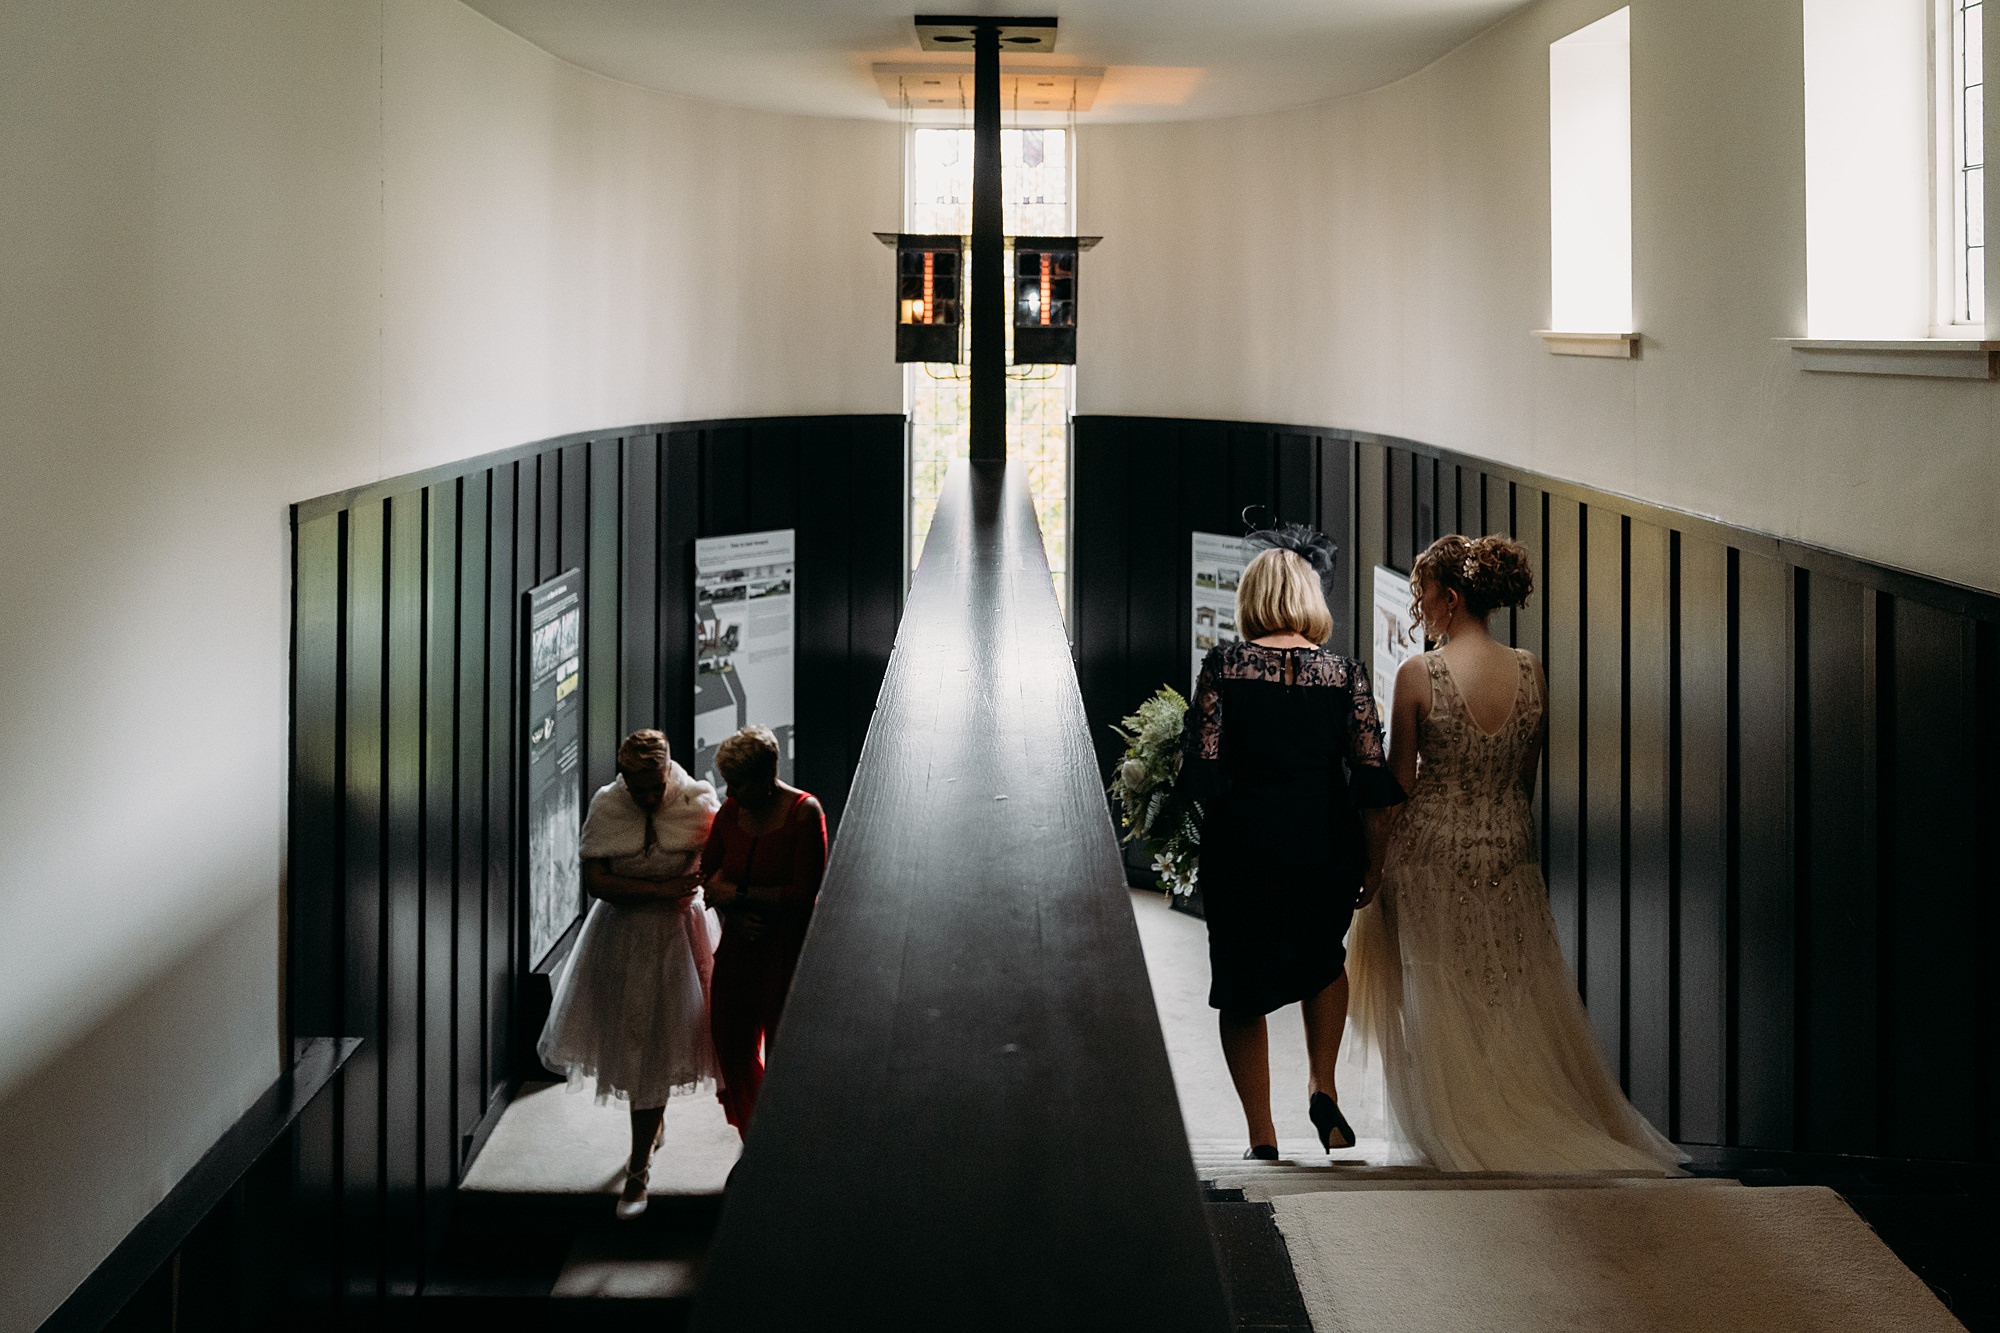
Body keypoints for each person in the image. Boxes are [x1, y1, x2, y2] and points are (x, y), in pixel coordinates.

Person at [1348, 534, 1683, 1173]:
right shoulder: (1530, 669)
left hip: (1431, 850)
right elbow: (1524, 778)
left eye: (1423, 595)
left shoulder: (1420, 674)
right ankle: (1507, 1107)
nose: (1418, 608)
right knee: (1506, 986)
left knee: (1436, 984)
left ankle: (1459, 1121)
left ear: (1450, 598)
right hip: (1508, 849)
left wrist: (1372, 865)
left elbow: (1396, 787)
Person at [1181, 527, 1405, 1160]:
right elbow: (1371, 774)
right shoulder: (1344, 674)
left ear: (1250, 599)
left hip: (1243, 846)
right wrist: (1374, 864)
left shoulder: (1225, 666)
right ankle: (1322, 1087)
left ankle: (1262, 1136)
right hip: (1323, 846)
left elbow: (1202, 768)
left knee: (1240, 985)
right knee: (1323, 962)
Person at [537, 729, 721, 1219]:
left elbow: (712, 862)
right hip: (622, 937)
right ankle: (646, 1140)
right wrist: (662, 890)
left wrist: (692, 882)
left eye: (655, 787)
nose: (647, 799)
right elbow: (598, 882)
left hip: (677, 938)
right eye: (637, 789)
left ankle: (639, 1165)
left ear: (668, 771)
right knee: (635, 1041)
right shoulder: (607, 805)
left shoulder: (695, 800)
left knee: (660, 1041)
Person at [700, 726, 827, 1138]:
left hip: (787, 951)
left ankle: (785, 1138)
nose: (730, 792)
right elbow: (708, 874)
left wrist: (735, 893)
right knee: (730, 1043)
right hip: (738, 945)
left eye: (738, 783)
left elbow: (802, 894)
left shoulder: (804, 812)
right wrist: (733, 913)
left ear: (765, 777)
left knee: (785, 1052)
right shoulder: (730, 812)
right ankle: (756, 1135)